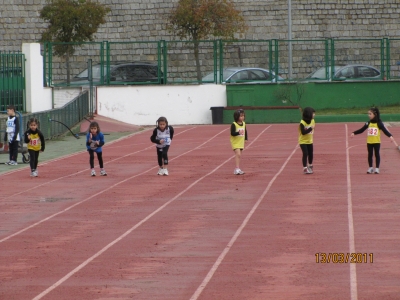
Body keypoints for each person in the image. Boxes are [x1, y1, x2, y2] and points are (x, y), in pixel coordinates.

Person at [351, 107, 397, 174]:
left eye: (370, 114)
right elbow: (361, 130)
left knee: (377, 154)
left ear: (375, 114)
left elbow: (385, 130)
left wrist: (390, 136)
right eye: (368, 114)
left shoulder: (379, 123)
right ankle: (370, 167)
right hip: (369, 142)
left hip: (376, 142)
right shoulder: (368, 123)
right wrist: (354, 133)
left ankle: (377, 168)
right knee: (370, 154)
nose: (369, 115)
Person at [298, 107, 316, 174]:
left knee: (311, 153)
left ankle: (310, 165)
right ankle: (305, 168)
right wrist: (311, 128)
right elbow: (303, 132)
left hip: (310, 140)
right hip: (302, 141)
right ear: (309, 114)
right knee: (305, 153)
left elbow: (313, 128)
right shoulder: (302, 122)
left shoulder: (313, 121)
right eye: (313, 113)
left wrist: (312, 130)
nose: (314, 115)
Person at [230, 109, 248, 175]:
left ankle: (237, 168)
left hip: (241, 141)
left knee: (239, 155)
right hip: (235, 142)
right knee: (238, 154)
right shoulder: (234, 124)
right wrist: (238, 133)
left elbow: (245, 131)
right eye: (241, 116)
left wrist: (246, 139)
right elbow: (232, 133)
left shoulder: (244, 123)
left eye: (243, 116)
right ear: (237, 116)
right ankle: (236, 169)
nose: (242, 117)